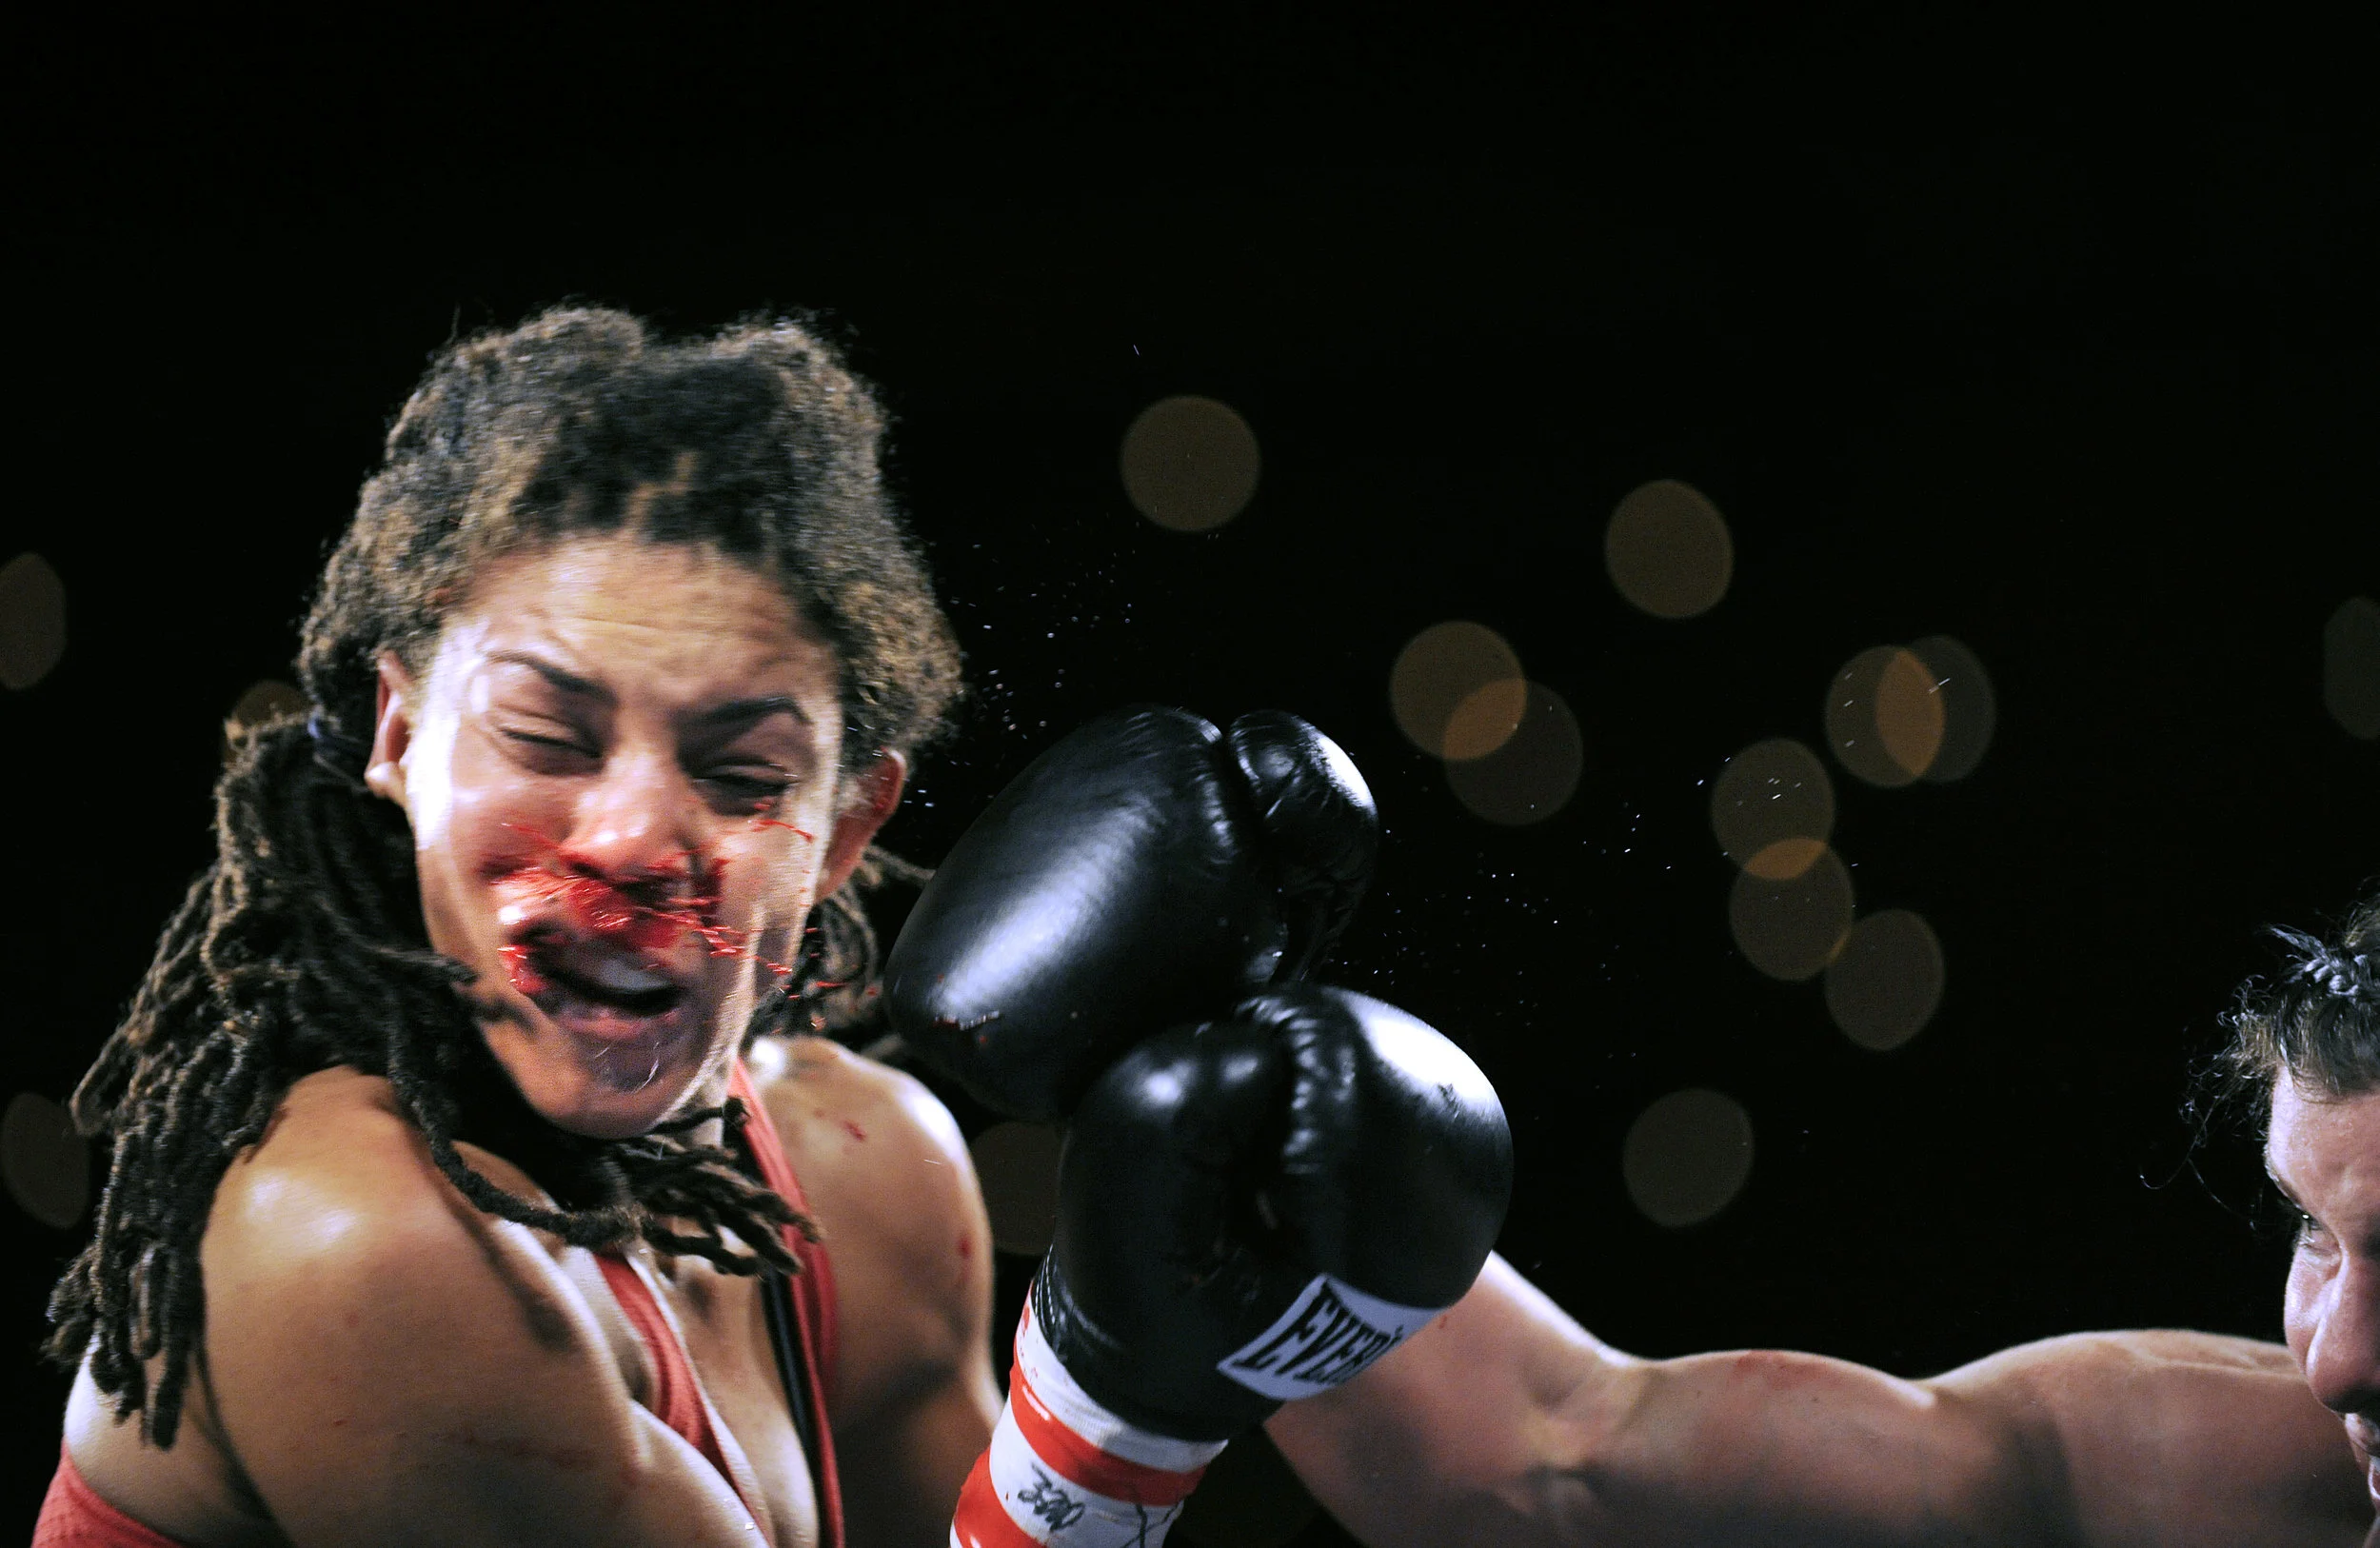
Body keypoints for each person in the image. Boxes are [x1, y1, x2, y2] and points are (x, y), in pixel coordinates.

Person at [38, 307, 1006, 1547]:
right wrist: (1111, 1412)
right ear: (398, 736)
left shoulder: (868, 1177)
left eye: (744, 772)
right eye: (545, 735)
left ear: (847, 831)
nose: (631, 845)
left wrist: (1312, 1329)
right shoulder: (354, 1244)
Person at [1261, 896, 2380, 1546]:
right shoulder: (2231, 1480)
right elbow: (1555, 1462)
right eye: (2313, 1232)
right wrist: (1232, 1138)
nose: (2336, 1362)